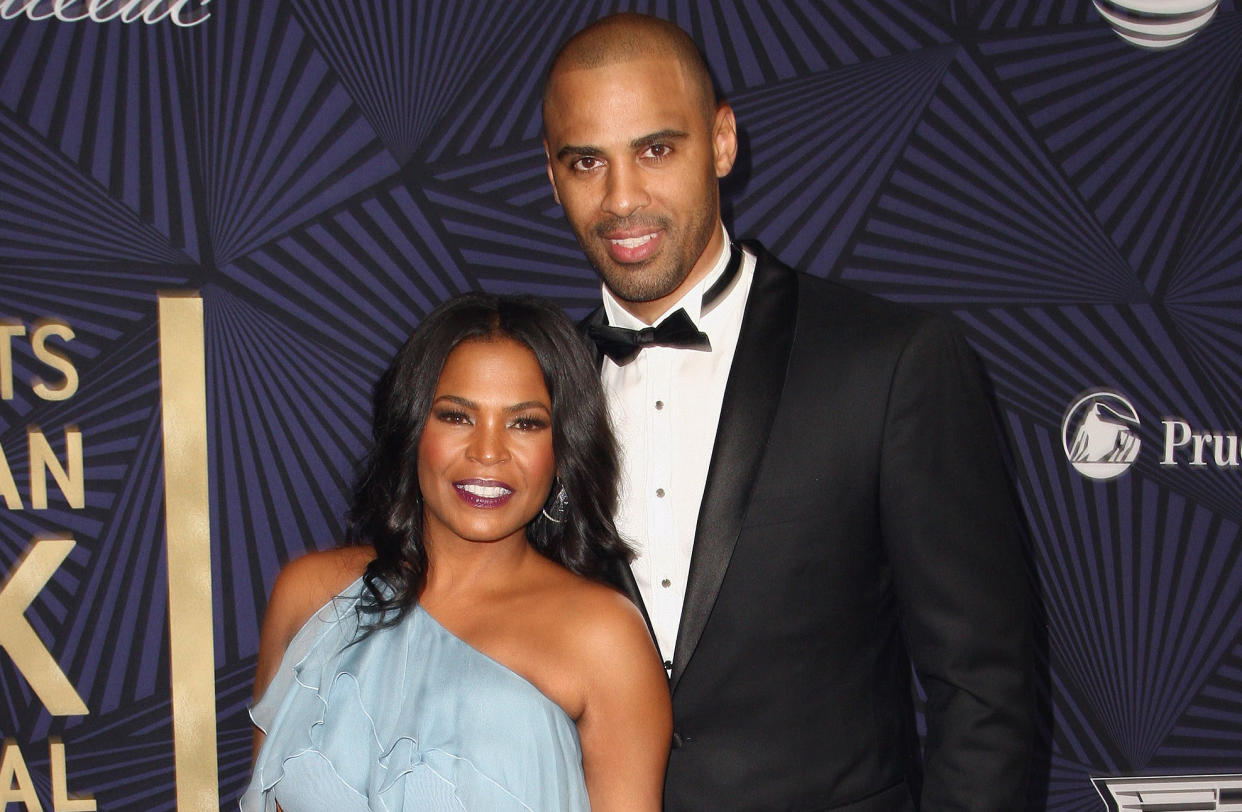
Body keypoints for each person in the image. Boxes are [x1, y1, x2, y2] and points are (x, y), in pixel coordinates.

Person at [541, 13, 1035, 811]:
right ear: (552, 172)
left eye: (656, 149)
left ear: (723, 141)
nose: (622, 198)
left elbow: (986, 689)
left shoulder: (890, 361)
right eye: (586, 161)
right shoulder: (531, 393)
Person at [241, 293, 672, 811]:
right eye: (457, 416)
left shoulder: (605, 639)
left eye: (525, 423)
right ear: (412, 430)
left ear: (562, 449)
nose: (488, 452)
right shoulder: (309, 595)